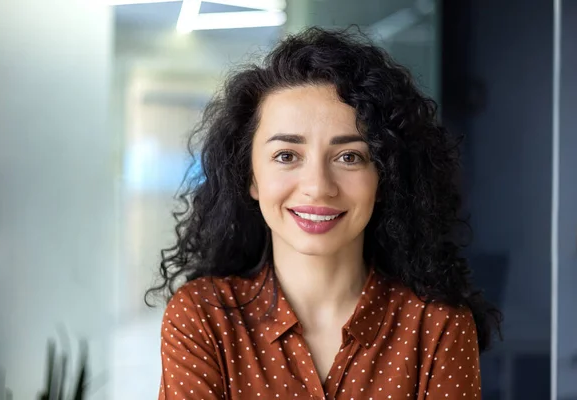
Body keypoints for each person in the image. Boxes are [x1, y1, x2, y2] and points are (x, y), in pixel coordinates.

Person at [148, 26, 501, 400]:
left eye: (349, 157)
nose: (317, 185)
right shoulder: (202, 316)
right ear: (250, 177)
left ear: (385, 176)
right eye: (286, 156)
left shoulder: (439, 326)